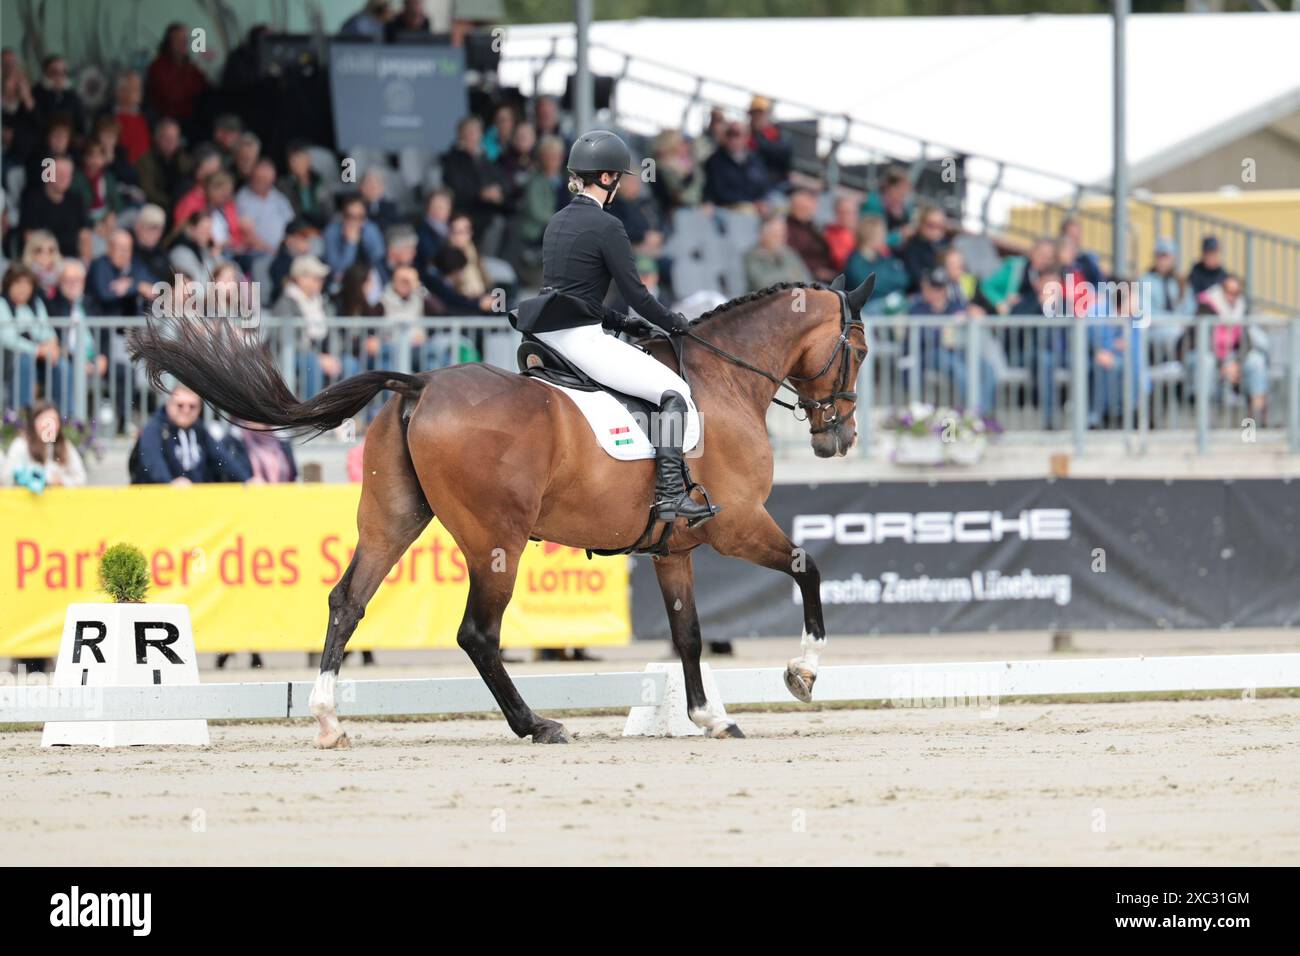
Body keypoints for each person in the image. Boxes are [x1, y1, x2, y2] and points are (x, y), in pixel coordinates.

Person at [516, 129, 718, 525]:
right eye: (619, 178)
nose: (621, 185)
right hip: (579, 340)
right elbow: (639, 295)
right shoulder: (608, 226)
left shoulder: (558, 221)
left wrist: (621, 322)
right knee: (674, 390)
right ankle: (671, 495)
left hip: (543, 336)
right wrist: (676, 324)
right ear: (606, 179)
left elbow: (572, 294)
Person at [131, 385, 251, 484]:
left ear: (199, 409)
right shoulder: (154, 428)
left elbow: (222, 457)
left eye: (192, 406)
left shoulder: (199, 429)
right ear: (169, 405)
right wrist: (169, 483)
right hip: (157, 501)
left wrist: (247, 479)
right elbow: (152, 462)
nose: (186, 411)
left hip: (194, 501)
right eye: (180, 405)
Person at [3, 401, 87, 489]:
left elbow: (81, 479)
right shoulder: (20, 445)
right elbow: (7, 479)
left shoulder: (65, 445)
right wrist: (29, 479)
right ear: (33, 423)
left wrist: (61, 481)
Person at [145, 23, 210, 126]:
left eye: (185, 40)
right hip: (166, 119)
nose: (184, 43)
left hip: (192, 119)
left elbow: (204, 88)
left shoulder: (191, 67)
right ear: (169, 42)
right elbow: (167, 97)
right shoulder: (158, 67)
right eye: (179, 40)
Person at [744, 214, 811, 291]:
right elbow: (762, 284)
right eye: (775, 234)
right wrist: (790, 277)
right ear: (762, 235)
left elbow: (806, 280)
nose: (781, 238)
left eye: (783, 234)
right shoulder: (751, 256)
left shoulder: (789, 252)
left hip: (795, 299)